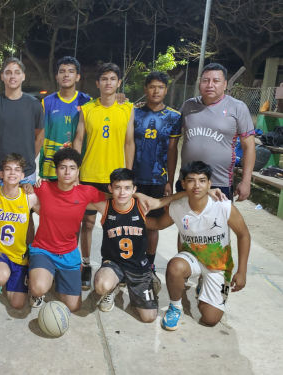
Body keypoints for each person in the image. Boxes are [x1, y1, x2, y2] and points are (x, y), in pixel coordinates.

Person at [90, 168, 224, 322]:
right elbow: (79, 197)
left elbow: (171, 198)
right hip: (113, 264)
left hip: (138, 268)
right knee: (102, 285)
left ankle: (146, 281)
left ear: (134, 189)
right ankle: (111, 289)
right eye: (117, 188)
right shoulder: (104, 206)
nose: (122, 193)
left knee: (149, 318)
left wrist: (206, 191)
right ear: (110, 188)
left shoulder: (142, 205)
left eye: (127, 188)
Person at [147, 161, 251, 331]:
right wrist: (129, 218)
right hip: (192, 258)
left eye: (202, 181)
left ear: (209, 184)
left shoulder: (223, 206)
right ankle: (175, 306)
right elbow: (158, 223)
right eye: (191, 180)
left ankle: (205, 282)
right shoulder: (177, 207)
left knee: (210, 319)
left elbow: (244, 234)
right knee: (175, 266)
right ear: (183, 184)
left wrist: (242, 271)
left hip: (218, 265)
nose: (197, 185)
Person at [73, 62, 135, 290]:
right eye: (104, 79)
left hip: (116, 179)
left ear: (118, 83)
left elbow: (130, 143)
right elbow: (78, 140)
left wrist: (128, 176)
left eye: (113, 79)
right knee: (87, 224)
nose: (108, 83)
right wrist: (76, 171)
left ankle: (116, 266)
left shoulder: (127, 108)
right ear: (97, 83)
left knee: (116, 226)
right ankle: (87, 264)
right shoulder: (87, 109)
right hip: (90, 174)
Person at [28, 148, 108, 312]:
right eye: (63, 167)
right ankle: (36, 280)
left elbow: (115, 195)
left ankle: (55, 276)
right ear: (56, 170)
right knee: (38, 288)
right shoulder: (43, 187)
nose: (67, 172)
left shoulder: (86, 192)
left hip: (69, 253)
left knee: (73, 307)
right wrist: (24, 185)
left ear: (78, 171)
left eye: (72, 168)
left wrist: (138, 195)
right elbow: (19, 192)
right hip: (43, 249)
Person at [0, 57, 44, 244]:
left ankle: (27, 256)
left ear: (23, 76)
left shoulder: (33, 104)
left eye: (17, 72)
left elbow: (39, 135)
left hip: (25, 173)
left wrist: (28, 158)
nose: (12, 76)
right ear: (2, 76)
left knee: (26, 217)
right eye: (8, 72)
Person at [179, 63, 255, 201]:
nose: (210, 85)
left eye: (216, 81)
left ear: (225, 84)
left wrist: (246, 181)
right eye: (205, 80)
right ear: (199, 84)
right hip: (188, 180)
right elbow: (170, 135)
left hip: (220, 182)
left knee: (217, 222)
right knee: (185, 221)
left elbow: (249, 147)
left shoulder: (237, 107)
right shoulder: (188, 105)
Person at [132, 71, 181, 283]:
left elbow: (172, 150)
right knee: (132, 224)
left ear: (166, 90)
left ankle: (149, 265)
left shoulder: (174, 117)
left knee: (152, 225)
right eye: (151, 86)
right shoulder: (133, 114)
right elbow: (128, 145)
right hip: (134, 180)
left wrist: (170, 180)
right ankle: (131, 262)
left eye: (160, 87)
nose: (155, 91)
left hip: (157, 180)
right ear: (145, 89)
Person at [0, 154, 38, 309]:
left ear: (23, 175)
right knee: (0, 276)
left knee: (17, 304)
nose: (12, 173)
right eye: (8, 169)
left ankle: (9, 279)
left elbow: (49, 214)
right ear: (1, 174)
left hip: (19, 255)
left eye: (17, 170)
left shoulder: (29, 197)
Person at [39, 56, 92, 179]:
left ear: (78, 77)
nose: (66, 75)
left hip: (78, 169)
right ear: (57, 77)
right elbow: (39, 135)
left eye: (71, 71)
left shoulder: (88, 102)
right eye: (62, 71)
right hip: (52, 168)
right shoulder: (46, 102)